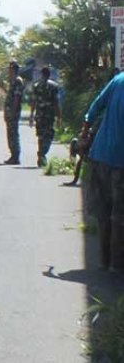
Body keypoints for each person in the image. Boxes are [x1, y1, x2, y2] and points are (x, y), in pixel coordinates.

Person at [82, 70, 124, 270]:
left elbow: (95, 106)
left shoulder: (118, 80)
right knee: (119, 216)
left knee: (104, 213)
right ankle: (116, 266)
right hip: (119, 161)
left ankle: (104, 261)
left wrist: (84, 132)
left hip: (100, 155)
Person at [29, 66, 62, 168]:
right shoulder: (54, 86)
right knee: (48, 136)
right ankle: (42, 154)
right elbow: (56, 103)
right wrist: (59, 117)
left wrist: (31, 115)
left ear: (42, 74)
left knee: (41, 136)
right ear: (49, 74)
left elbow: (33, 102)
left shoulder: (36, 86)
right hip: (49, 115)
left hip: (39, 115)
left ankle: (41, 155)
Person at [3, 61, 25, 165]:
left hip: (13, 112)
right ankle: (13, 155)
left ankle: (15, 156)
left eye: (10, 69)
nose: (8, 71)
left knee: (13, 134)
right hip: (10, 112)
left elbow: (16, 97)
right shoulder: (13, 81)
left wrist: (12, 111)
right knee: (10, 134)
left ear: (13, 69)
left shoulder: (17, 81)